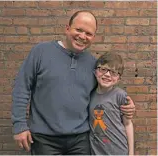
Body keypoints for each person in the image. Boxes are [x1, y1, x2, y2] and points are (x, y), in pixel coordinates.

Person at [11, 10, 135, 155]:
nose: (82, 36)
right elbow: (22, 88)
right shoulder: (41, 52)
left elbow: (104, 93)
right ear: (67, 28)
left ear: (93, 37)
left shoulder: (93, 65)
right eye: (79, 30)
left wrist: (127, 105)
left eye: (88, 34)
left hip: (81, 139)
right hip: (44, 139)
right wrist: (19, 125)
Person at [89, 52, 134, 155]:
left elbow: (128, 124)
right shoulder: (89, 95)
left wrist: (131, 153)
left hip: (118, 150)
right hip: (97, 151)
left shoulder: (120, 96)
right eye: (103, 69)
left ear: (119, 78)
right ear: (96, 71)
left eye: (113, 72)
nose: (107, 74)